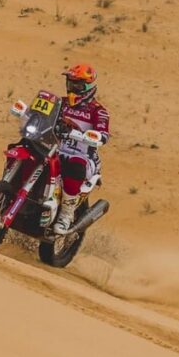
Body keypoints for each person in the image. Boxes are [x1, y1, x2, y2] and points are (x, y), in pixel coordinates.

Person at [55, 63, 110, 234]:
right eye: (70, 83)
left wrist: (97, 136)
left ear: (88, 87)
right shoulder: (60, 103)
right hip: (55, 150)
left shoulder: (98, 111)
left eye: (77, 85)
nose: (72, 88)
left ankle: (66, 214)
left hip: (83, 156)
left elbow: (104, 133)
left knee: (75, 166)